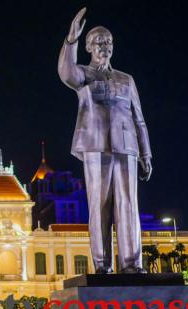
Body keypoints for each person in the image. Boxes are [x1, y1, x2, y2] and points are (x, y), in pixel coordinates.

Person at [58, 7, 152, 274]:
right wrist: (70, 41)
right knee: (99, 204)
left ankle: (132, 263)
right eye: (99, 42)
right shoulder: (83, 76)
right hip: (95, 146)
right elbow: (66, 72)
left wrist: (146, 153)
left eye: (109, 42)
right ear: (89, 46)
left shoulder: (126, 80)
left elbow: (139, 118)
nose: (105, 47)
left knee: (128, 203)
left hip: (127, 147)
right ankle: (102, 265)